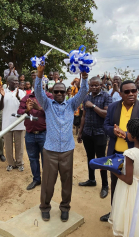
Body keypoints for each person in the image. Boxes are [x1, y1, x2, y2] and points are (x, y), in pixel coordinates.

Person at [35, 63, 88, 222]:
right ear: (52, 93)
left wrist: (84, 77)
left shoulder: (71, 105)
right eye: (56, 91)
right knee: (48, 183)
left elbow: (84, 91)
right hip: (50, 151)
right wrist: (39, 73)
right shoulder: (47, 104)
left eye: (62, 91)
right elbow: (38, 90)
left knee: (67, 181)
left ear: (66, 93)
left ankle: (65, 207)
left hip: (67, 151)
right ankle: (45, 207)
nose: (59, 93)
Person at [100, 80, 139, 222]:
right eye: (127, 92)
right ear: (120, 94)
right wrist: (113, 131)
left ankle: (133, 216)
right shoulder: (112, 107)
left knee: (133, 187)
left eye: (134, 90)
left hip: (134, 154)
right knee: (115, 184)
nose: (131, 94)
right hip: (116, 153)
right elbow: (105, 125)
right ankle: (115, 213)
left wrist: (126, 134)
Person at [108, 118, 139, 237]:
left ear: (134, 136)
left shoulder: (130, 153)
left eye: (128, 131)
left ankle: (129, 235)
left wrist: (112, 169)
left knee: (129, 211)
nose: (126, 133)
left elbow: (128, 180)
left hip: (130, 189)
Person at [78, 77, 112, 198]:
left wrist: (92, 106)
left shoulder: (106, 96)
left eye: (96, 85)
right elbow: (83, 116)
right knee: (90, 158)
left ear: (100, 85)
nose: (93, 87)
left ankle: (105, 185)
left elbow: (106, 114)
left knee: (102, 160)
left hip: (100, 133)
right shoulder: (86, 97)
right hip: (88, 132)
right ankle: (91, 180)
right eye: (91, 85)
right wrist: (80, 132)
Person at [18, 80, 53, 190]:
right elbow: (19, 112)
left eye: (41, 85)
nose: (39, 87)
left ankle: (47, 181)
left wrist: (39, 108)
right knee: (33, 158)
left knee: (45, 159)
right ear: (33, 86)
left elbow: (54, 110)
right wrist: (27, 110)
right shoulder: (26, 98)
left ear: (44, 86)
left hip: (44, 133)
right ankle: (36, 179)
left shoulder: (49, 96)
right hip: (30, 134)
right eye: (36, 85)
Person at [0, 76, 26, 172]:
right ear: (8, 82)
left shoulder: (22, 92)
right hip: (7, 123)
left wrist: (18, 96)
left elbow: (25, 105)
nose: (16, 82)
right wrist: (2, 96)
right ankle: (11, 163)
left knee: (19, 145)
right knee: (8, 145)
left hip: (19, 122)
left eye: (17, 81)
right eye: (14, 81)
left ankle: (19, 163)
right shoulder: (3, 91)